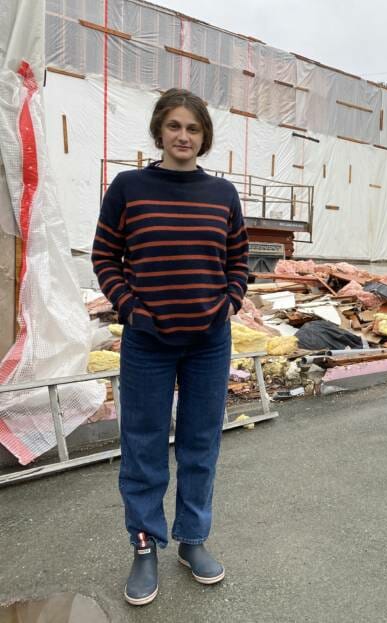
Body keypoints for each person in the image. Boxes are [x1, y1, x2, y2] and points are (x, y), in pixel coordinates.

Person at [91, 88, 249, 606]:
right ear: (159, 130)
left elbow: (239, 260)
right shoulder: (129, 188)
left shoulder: (222, 195)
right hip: (147, 342)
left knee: (201, 445)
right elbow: (105, 255)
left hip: (208, 343)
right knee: (143, 446)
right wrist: (130, 308)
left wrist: (230, 300)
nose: (184, 136)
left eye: (194, 129)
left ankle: (192, 540)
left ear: (204, 138)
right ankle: (144, 545)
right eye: (175, 126)